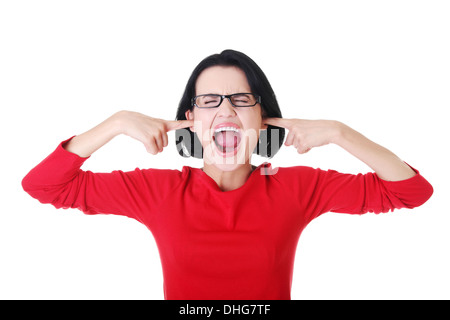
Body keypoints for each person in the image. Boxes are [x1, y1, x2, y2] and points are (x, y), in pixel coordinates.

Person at [22, 49, 433, 300]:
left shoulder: (297, 188)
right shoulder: (158, 191)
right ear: (190, 119)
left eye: (241, 99)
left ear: (263, 117)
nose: (226, 111)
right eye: (209, 100)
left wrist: (342, 133)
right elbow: (42, 185)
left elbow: (412, 192)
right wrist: (113, 124)